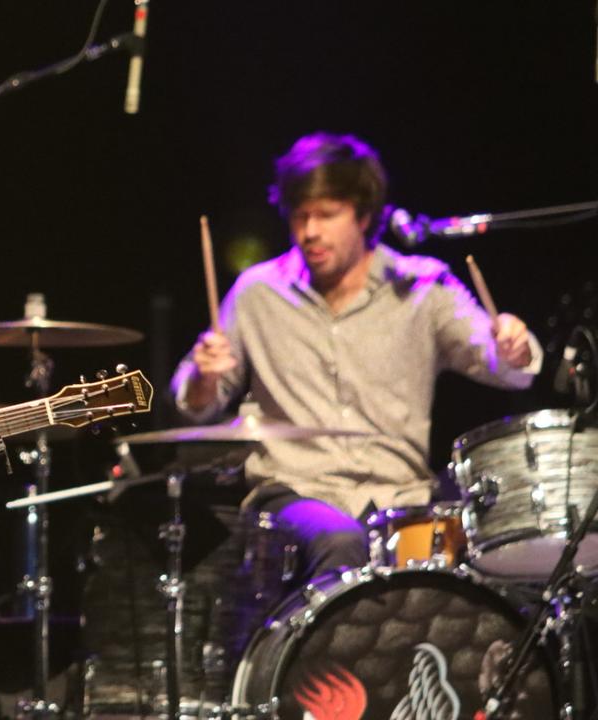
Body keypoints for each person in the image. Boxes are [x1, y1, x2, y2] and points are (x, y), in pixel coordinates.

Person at [171, 131, 541, 582]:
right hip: (296, 494)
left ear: (364, 215)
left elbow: (501, 363)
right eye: (300, 216)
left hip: (400, 499)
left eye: (327, 215)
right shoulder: (258, 291)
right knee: (341, 541)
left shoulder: (421, 286)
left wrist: (513, 348)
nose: (310, 232)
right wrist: (205, 377)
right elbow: (197, 400)